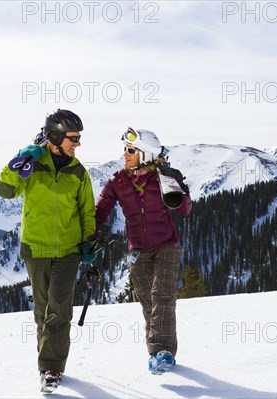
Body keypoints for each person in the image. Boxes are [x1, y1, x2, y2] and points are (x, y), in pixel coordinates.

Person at [0, 109, 97, 392]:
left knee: (60, 310)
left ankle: (51, 369)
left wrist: (89, 241)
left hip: (68, 251)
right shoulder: (32, 165)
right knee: (43, 311)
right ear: (55, 137)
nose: (78, 144)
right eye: (73, 138)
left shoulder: (78, 172)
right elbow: (4, 190)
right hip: (35, 249)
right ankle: (48, 364)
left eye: (78, 138)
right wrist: (19, 160)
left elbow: (86, 211)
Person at [95, 127, 192, 374]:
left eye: (130, 150)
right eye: (125, 149)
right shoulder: (118, 180)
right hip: (137, 249)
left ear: (146, 154)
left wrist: (180, 186)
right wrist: (87, 232)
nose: (125, 154)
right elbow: (100, 210)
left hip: (167, 246)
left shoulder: (163, 177)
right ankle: (159, 351)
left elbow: (184, 210)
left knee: (162, 295)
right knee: (148, 301)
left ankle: (163, 353)